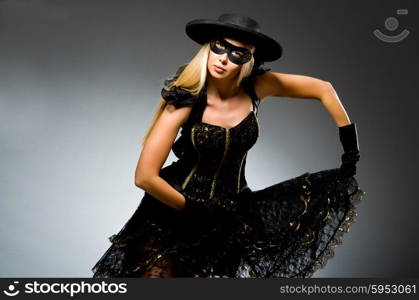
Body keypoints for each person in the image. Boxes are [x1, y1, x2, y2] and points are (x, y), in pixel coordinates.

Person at [91, 13, 365, 278]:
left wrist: (350, 146)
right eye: (219, 47)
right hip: (170, 214)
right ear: (208, 48)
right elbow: (145, 177)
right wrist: (195, 210)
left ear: (250, 60)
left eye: (237, 53)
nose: (223, 59)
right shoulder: (186, 99)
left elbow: (324, 89)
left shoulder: (258, 87)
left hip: (227, 218)